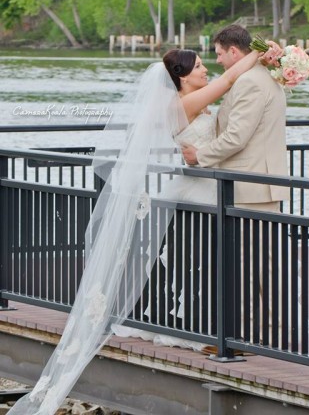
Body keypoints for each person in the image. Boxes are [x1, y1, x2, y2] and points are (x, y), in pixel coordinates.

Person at [8, 46, 263, 415]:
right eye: (199, 65)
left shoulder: (189, 101)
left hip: (201, 188)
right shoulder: (179, 105)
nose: (206, 68)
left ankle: (206, 324)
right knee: (197, 259)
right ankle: (204, 326)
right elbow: (226, 81)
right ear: (182, 75)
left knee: (199, 258)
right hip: (193, 192)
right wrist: (260, 55)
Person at [182, 24, 290, 211]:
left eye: (219, 54)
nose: (217, 60)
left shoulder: (249, 81)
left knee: (247, 241)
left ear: (233, 51)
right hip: (258, 186)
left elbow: (236, 137)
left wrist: (199, 155)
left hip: (250, 188)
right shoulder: (264, 75)